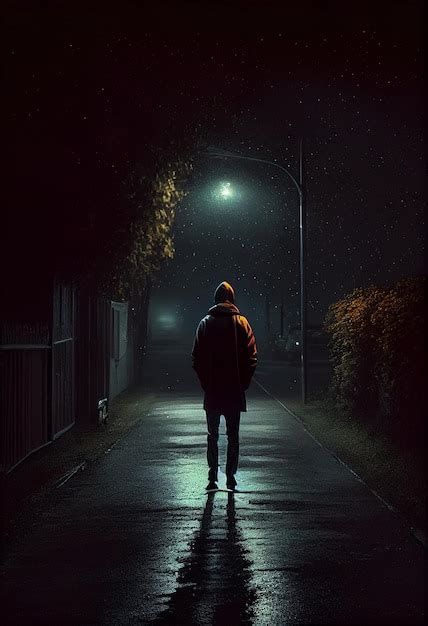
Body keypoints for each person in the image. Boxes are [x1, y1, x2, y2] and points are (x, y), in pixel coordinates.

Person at [192, 281, 257, 491]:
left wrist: (206, 383)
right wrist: (242, 383)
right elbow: (251, 357)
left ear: (216, 299)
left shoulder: (205, 323)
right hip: (233, 391)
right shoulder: (242, 323)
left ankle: (212, 477)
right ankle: (231, 477)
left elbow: (197, 358)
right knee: (233, 436)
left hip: (213, 391)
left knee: (212, 435)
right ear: (232, 299)